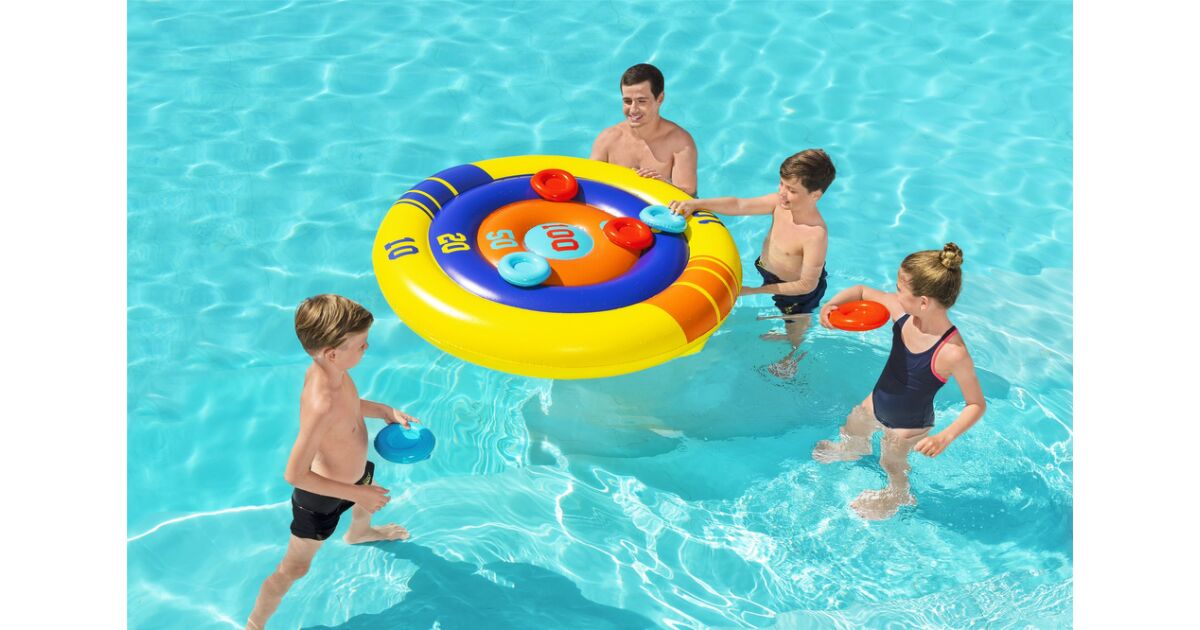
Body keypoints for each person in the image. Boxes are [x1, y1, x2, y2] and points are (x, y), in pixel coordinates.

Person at [246, 294, 419, 629]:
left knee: (367, 494)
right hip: (320, 499)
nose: (367, 348)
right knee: (294, 569)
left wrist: (385, 411)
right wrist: (356, 493)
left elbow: (352, 405)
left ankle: (360, 533)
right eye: (361, 344)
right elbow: (295, 474)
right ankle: (255, 624)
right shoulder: (321, 403)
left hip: (355, 476)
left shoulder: (336, 373)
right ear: (332, 353)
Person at [812, 243, 987, 520]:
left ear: (924, 302)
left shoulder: (952, 352)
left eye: (899, 289)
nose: (894, 294)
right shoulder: (904, 313)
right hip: (877, 401)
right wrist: (832, 305)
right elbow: (861, 291)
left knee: (891, 463)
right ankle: (853, 448)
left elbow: (976, 404)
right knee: (853, 425)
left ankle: (898, 494)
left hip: (909, 424)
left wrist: (945, 436)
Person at [669, 149, 836, 377]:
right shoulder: (780, 204)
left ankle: (793, 353)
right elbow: (740, 205)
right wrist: (697, 204)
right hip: (770, 272)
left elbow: (807, 285)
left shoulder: (815, 234)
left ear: (815, 195)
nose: (782, 193)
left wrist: (754, 291)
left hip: (796, 292)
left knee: (796, 323)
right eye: (782, 184)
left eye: (792, 190)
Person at [590, 63, 698, 196]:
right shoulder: (608, 139)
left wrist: (664, 185)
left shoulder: (679, 142)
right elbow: (590, 184)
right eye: (627, 101)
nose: (633, 110)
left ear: (660, 98)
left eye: (641, 101)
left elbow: (689, 194)